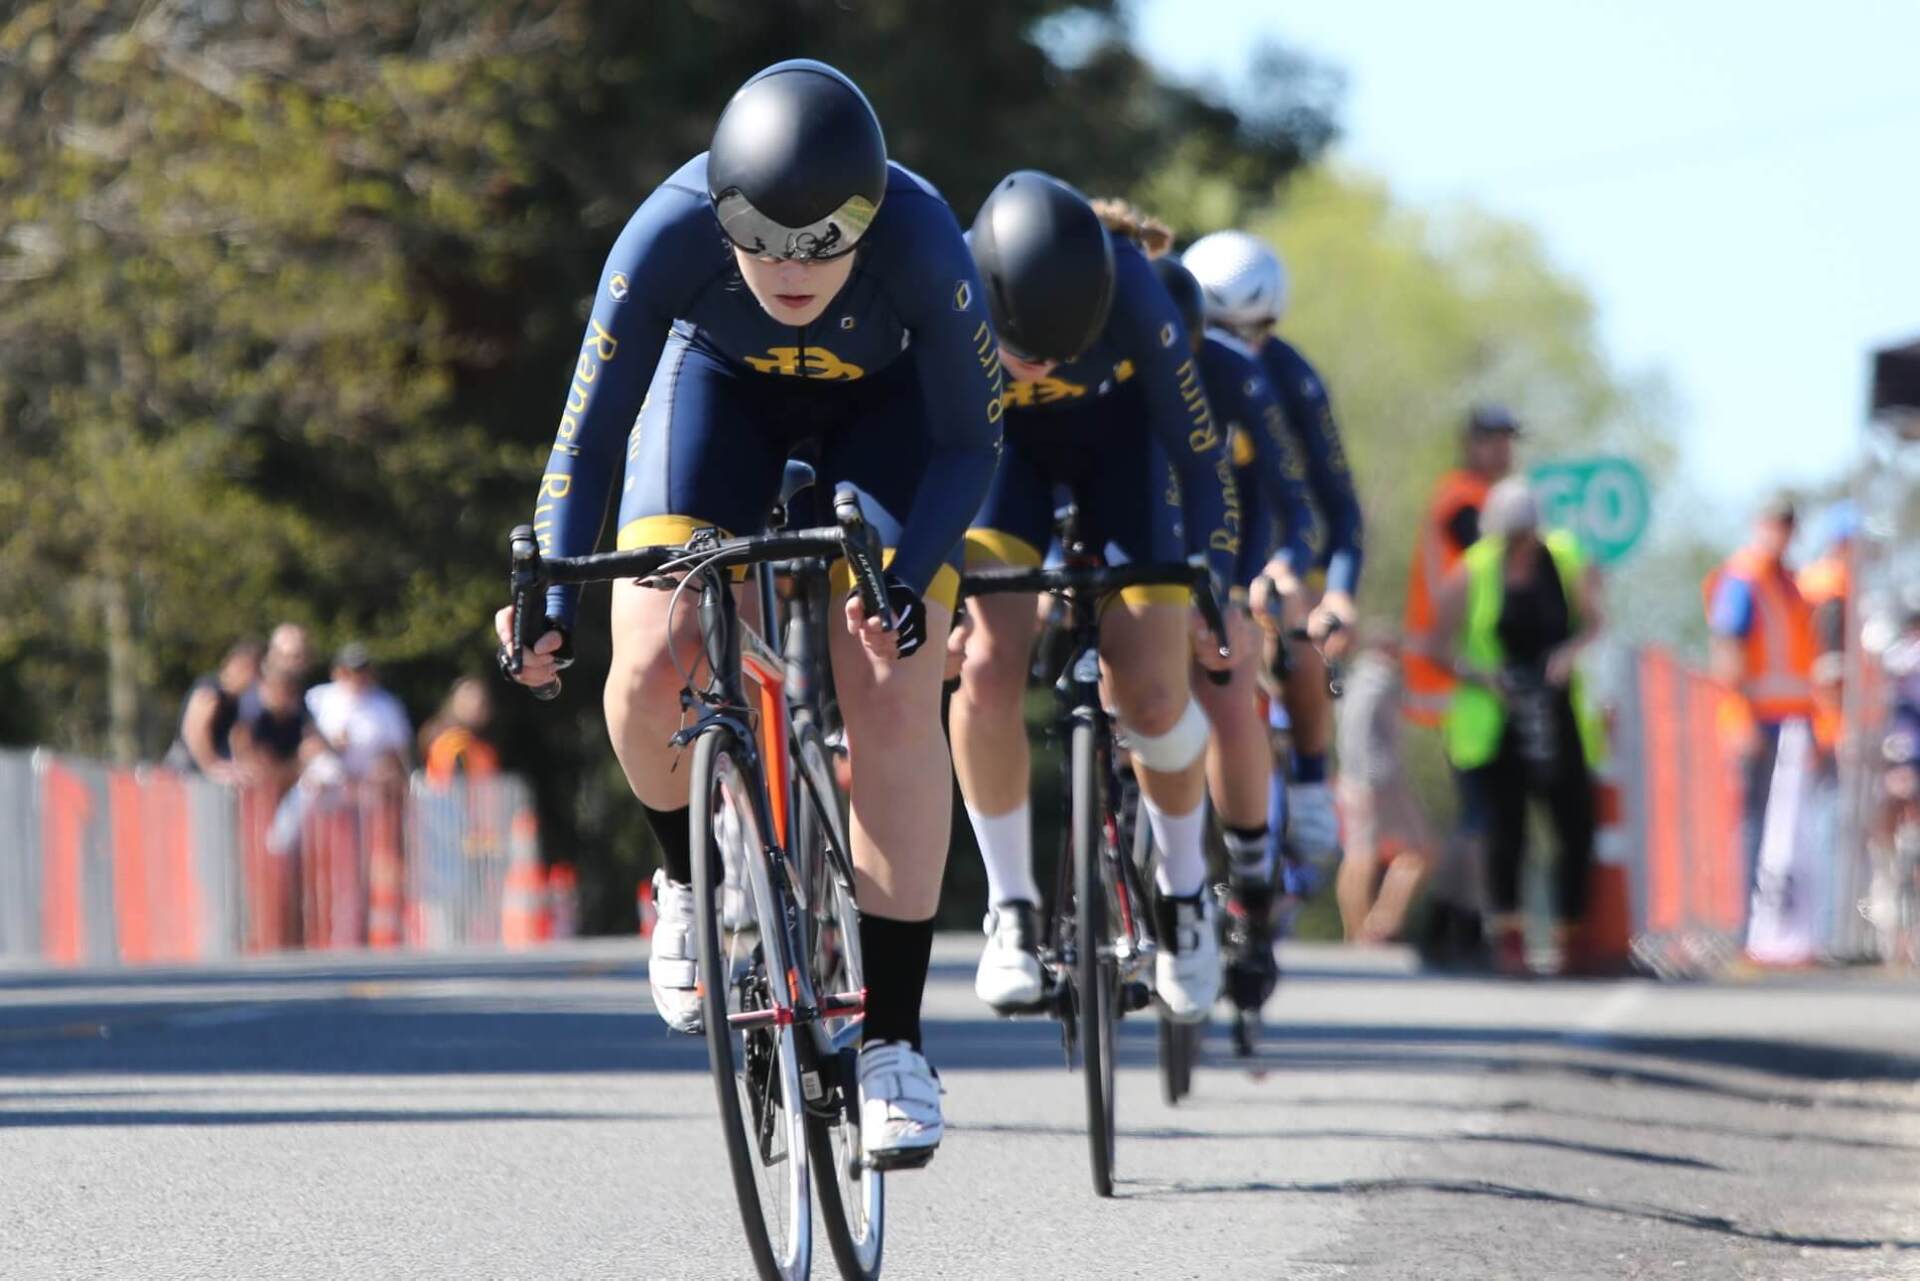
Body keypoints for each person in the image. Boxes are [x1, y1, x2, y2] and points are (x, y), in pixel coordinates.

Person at [494, 60, 1003, 1166]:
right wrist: (549, 598)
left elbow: (971, 444)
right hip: (715, 393)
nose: (789, 267)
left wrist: (909, 581)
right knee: (654, 649)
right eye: (760, 241)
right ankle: (686, 879)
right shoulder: (664, 232)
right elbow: (589, 434)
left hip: (885, 419)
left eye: (823, 242)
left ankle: (894, 1042)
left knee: (892, 685)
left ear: (868, 217)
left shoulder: (925, 242)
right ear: (719, 212)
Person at [951, 179, 1241, 1023]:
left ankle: (1183, 895)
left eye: (1060, 347)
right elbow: (922, 449)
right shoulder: (949, 280)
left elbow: (1202, 460)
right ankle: (1011, 908)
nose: (1041, 364)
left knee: (1152, 693)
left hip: (1126, 459)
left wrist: (1213, 593)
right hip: (1004, 464)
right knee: (987, 664)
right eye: (1023, 347)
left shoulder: (1136, 289)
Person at [1153, 251, 1312, 1005]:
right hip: (1143, 536)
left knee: (1226, 682)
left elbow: (1293, 502)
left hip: (1229, 540)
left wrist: (1252, 586)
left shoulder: (1236, 373)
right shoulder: (1108, 360)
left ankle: (1251, 874)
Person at [1182, 229, 1362, 881]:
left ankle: (1310, 780)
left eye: (1251, 330)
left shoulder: (1292, 378)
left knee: (1300, 627)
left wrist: (1336, 590)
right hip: (1192, 538)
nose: (1234, 344)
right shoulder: (1165, 359)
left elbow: (1333, 504)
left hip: (1273, 539)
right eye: (1216, 327)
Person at [1435, 478, 1606, 976]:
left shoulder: (1566, 557)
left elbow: (1595, 622)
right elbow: (1436, 645)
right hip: (1496, 718)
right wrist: (1482, 675)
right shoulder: (1474, 568)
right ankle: (1509, 938)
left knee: (1575, 824)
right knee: (1506, 830)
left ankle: (1570, 938)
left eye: (1527, 533)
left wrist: (1566, 656)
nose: (1520, 543)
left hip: (1558, 713)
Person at [1402, 403, 1520, 966]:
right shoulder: (1464, 500)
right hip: (1454, 674)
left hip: (1464, 676)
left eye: (1508, 439)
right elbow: (1494, 556)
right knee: (1481, 813)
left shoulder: (1476, 497)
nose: (1504, 449)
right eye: (1493, 438)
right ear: (1470, 442)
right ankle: (1452, 927)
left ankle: (1451, 928)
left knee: (1479, 812)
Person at [1704, 495, 1817, 901]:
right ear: (1758, 524)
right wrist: (1743, 718)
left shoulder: (1790, 581)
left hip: (1792, 723)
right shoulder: (1744, 577)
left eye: (1787, 525)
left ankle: (1777, 921)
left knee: (1784, 826)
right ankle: (1745, 918)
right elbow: (1727, 646)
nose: (1781, 533)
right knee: (1752, 822)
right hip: (1755, 720)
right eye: (1775, 523)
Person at [1333, 621, 1434, 943]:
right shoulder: (1381, 680)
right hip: (1377, 778)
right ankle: (1381, 923)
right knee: (1417, 851)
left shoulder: (1352, 680)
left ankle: (1357, 931)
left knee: (1358, 853)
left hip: (1352, 777)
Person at [1797, 502, 1857, 759]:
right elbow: (1831, 663)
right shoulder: (1831, 581)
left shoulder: (1824, 576)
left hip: (1812, 705)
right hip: (1824, 712)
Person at [305, 642, 412, 784]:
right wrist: (329, 744)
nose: (357, 677)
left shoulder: (387, 705)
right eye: (349, 671)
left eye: (362, 671)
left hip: (368, 785)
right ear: (337, 672)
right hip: (322, 783)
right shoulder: (316, 698)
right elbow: (301, 741)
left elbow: (399, 751)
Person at [165, 639, 263, 781]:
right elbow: (193, 732)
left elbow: (238, 737)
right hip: (187, 767)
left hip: (205, 769)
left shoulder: (234, 700)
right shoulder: (210, 690)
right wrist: (211, 767)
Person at [229, 659, 319, 794]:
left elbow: (310, 747)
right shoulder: (254, 716)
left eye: (288, 691)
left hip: (288, 779)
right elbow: (244, 747)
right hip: (255, 782)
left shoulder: (299, 716)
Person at [420, 676, 501, 784]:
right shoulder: (450, 745)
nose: (476, 704)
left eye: (482, 701)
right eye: (469, 698)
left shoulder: (485, 749)